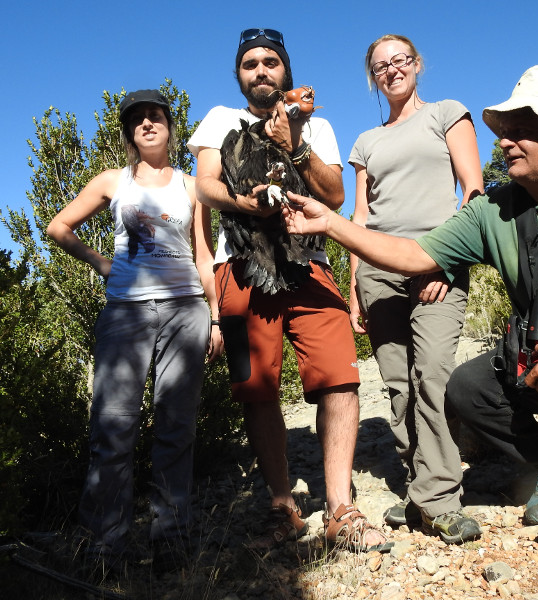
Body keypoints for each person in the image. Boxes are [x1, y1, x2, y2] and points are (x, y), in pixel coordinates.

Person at [283, 65, 538, 532]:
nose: (502, 142)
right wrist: (332, 224)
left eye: (520, 131)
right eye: (505, 131)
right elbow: (414, 254)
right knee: (466, 388)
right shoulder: (493, 209)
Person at [187, 28, 391, 552]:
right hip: (239, 267)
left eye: (271, 62)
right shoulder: (219, 120)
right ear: (239, 75)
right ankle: (282, 505)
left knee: (340, 379)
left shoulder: (315, 125)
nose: (261, 71)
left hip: (310, 264)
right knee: (255, 389)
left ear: (287, 71)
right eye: (250, 63)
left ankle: (341, 507)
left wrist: (293, 145)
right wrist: (247, 202)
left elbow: (336, 194)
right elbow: (204, 186)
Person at [47, 89, 223, 570]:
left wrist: (215, 316)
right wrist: (101, 262)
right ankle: (106, 546)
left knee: (176, 426)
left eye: (156, 116)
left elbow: (204, 256)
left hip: (186, 310)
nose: (148, 124)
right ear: (128, 132)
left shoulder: (192, 186)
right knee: (113, 426)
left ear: (169, 125)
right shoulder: (112, 181)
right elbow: (58, 226)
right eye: (138, 119)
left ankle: (172, 540)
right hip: (126, 310)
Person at [347, 34, 483, 544]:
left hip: (434, 261)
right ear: (373, 77)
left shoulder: (447, 112)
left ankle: (441, 500)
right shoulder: (366, 142)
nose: (392, 70)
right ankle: (418, 488)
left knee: (432, 376)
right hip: (377, 271)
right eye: (381, 66)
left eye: (400, 60)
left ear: (417, 64)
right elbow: (360, 218)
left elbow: (473, 190)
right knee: (398, 385)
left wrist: (445, 263)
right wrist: (355, 284)